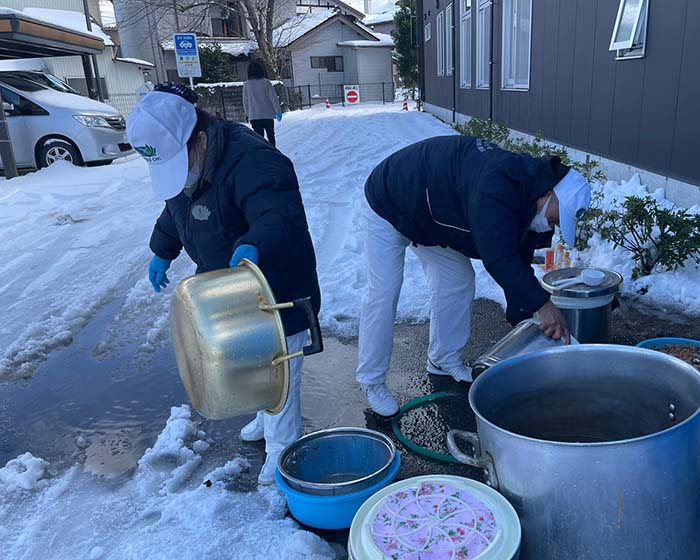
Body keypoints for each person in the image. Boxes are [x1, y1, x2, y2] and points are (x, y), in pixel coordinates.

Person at [128, 82, 321, 485]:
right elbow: (174, 213)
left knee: (278, 366)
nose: (178, 181)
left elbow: (278, 214)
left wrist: (255, 242)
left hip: (277, 287)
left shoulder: (253, 160)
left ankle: (282, 445)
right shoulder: (190, 168)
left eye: (178, 166)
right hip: (230, 287)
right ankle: (262, 413)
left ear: (199, 138)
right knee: (248, 356)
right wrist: (162, 249)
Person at [357, 135, 591, 417]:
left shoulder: (529, 199)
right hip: (390, 199)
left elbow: (518, 263)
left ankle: (443, 359)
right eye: (555, 217)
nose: (552, 224)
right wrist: (545, 307)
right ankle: (372, 381)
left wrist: (527, 324)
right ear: (549, 192)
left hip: (431, 217)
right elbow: (499, 257)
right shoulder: (497, 184)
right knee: (384, 292)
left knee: (457, 280)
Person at [242, 60, 282, 146]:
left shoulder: (246, 85)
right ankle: (273, 154)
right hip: (268, 115)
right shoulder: (266, 82)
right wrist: (278, 111)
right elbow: (273, 98)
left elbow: (245, 101)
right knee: (271, 136)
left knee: (259, 138)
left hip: (254, 116)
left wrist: (247, 113)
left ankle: (263, 156)